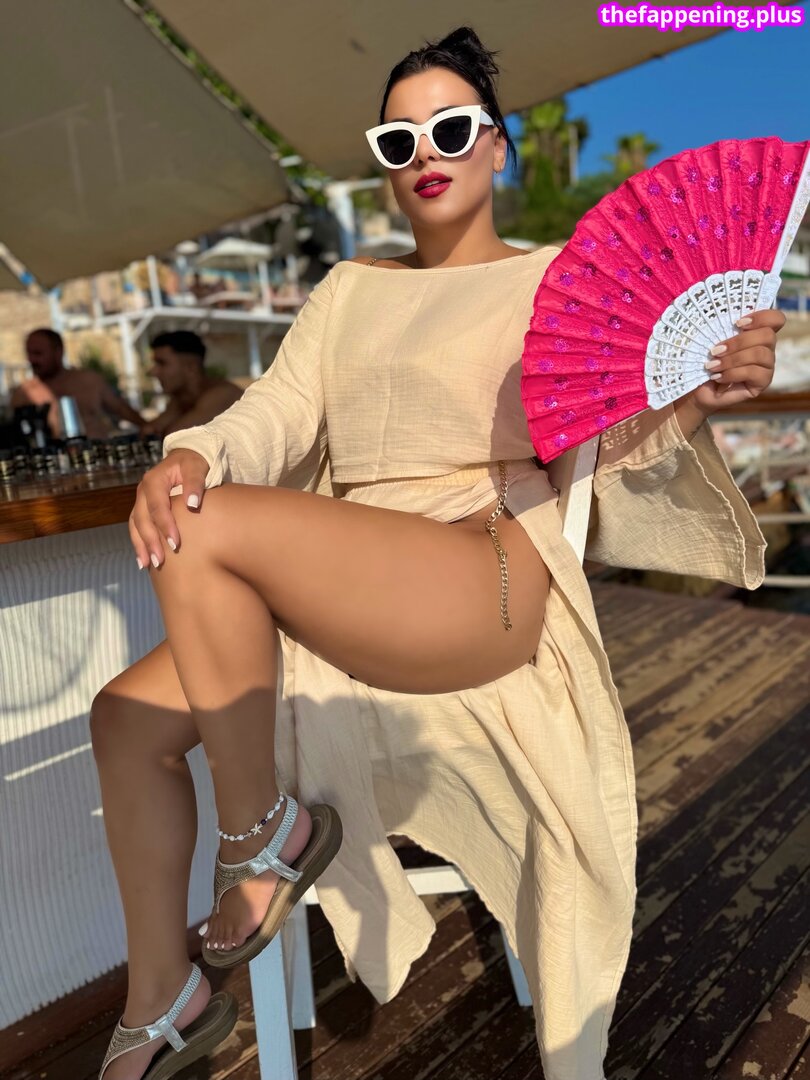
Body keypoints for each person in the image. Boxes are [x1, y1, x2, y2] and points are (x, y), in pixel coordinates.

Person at [89, 26, 783, 1080]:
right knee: (125, 714)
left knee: (212, 525)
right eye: (398, 139)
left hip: (482, 571)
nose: (426, 153)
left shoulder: (559, 283)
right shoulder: (347, 292)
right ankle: (162, 999)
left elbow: (610, 446)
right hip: (350, 581)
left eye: (452, 130)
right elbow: (273, 415)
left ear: (497, 144)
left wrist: (702, 392)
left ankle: (263, 840)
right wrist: (194, 451)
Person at [11, 328, 145, 439]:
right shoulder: (24, 394)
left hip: (96, 455)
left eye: (38, 353)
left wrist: (148, 427)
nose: (32, 360)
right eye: (29, 354)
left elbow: (121, 409)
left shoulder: (89, 381)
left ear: (58, 352)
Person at [141, 331, 243, 438]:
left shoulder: (222, 394)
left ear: (191, 367)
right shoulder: (181, 398)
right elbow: (148, 430)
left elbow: (174, 436)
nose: (153, 372)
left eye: (162, 363)